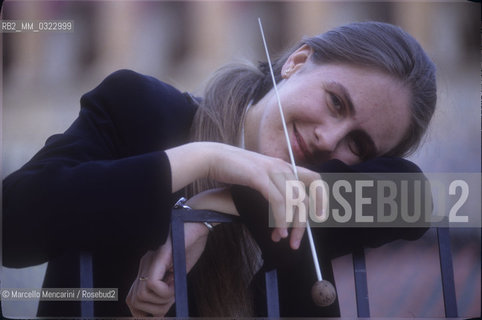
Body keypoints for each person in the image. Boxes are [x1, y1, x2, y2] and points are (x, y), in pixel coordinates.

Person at [2, 21, 436, 317]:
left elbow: (419, 199)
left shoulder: (316, 200)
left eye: (358, 144)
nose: (328, 139)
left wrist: (215, 206)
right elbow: (12, 227)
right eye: (335, 102)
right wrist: (208, 159)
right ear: (298, 62)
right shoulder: (139, 109)